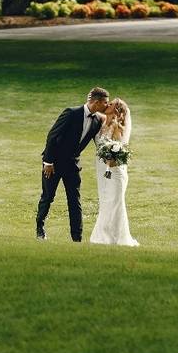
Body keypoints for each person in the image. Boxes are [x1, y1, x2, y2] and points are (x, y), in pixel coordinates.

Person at [36, 87, 109, 241]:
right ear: (96, 102)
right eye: (105, 103)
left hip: (72, 166)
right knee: (48, 197)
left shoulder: (97, 121)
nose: (107, 106)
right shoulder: (71, 113)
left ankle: (77, 238)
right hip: (53, 164)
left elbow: (99, 144)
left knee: (74, 201)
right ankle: (40, 228)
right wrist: (48, 162)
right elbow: (52, 136)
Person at [90, 98, 139, 246]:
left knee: (116, 202)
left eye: (110, 104)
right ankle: (104, 235)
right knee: (105, 200)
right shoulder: (101, 122)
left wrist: (110, 158)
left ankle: (118, 238)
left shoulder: (119, 126)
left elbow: (120, 148)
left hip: (115, 170)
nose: (107, 105)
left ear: (117, 110)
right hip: (102, 170)